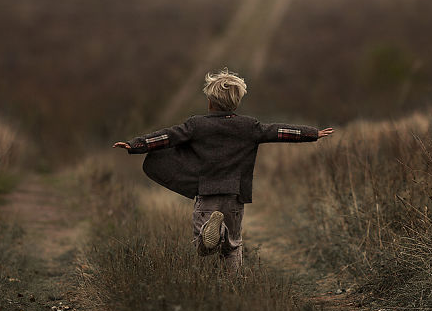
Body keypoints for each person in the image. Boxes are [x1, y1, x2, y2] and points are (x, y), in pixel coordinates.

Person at [113, 67, 334, 273]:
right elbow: (278, 131)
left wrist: (137, 144)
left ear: (210, 101)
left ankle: (214, 233)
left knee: (203, 245)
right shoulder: (249, 126)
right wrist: (312, 133)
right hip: (234, 195)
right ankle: (231, 284)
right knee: (234, 246)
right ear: (236, 103)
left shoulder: (197, 124)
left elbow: (167, 137)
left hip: (207, 193)